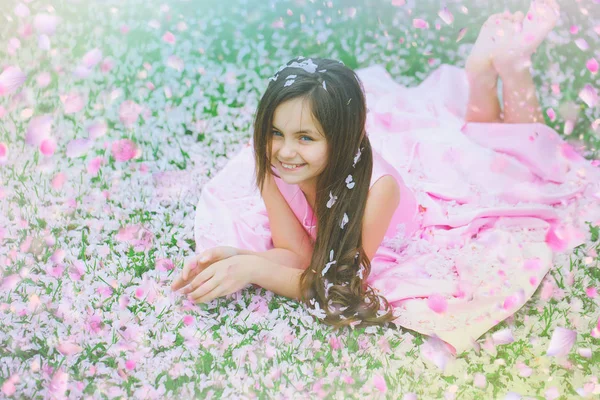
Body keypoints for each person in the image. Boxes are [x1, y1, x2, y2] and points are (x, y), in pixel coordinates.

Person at [171, 0, 600, 354]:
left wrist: (253, 269)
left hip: (436, 188)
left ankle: (507, 67)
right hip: (404, 168)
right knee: (480, 143)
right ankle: (486, 73)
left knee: (514, 160)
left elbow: (334, 286)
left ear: (340, 139)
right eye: (276, 132)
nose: (284, 150)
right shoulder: (272, 161)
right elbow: (298, 251)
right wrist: (240, 257)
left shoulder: (380, 190)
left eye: (304, 137)